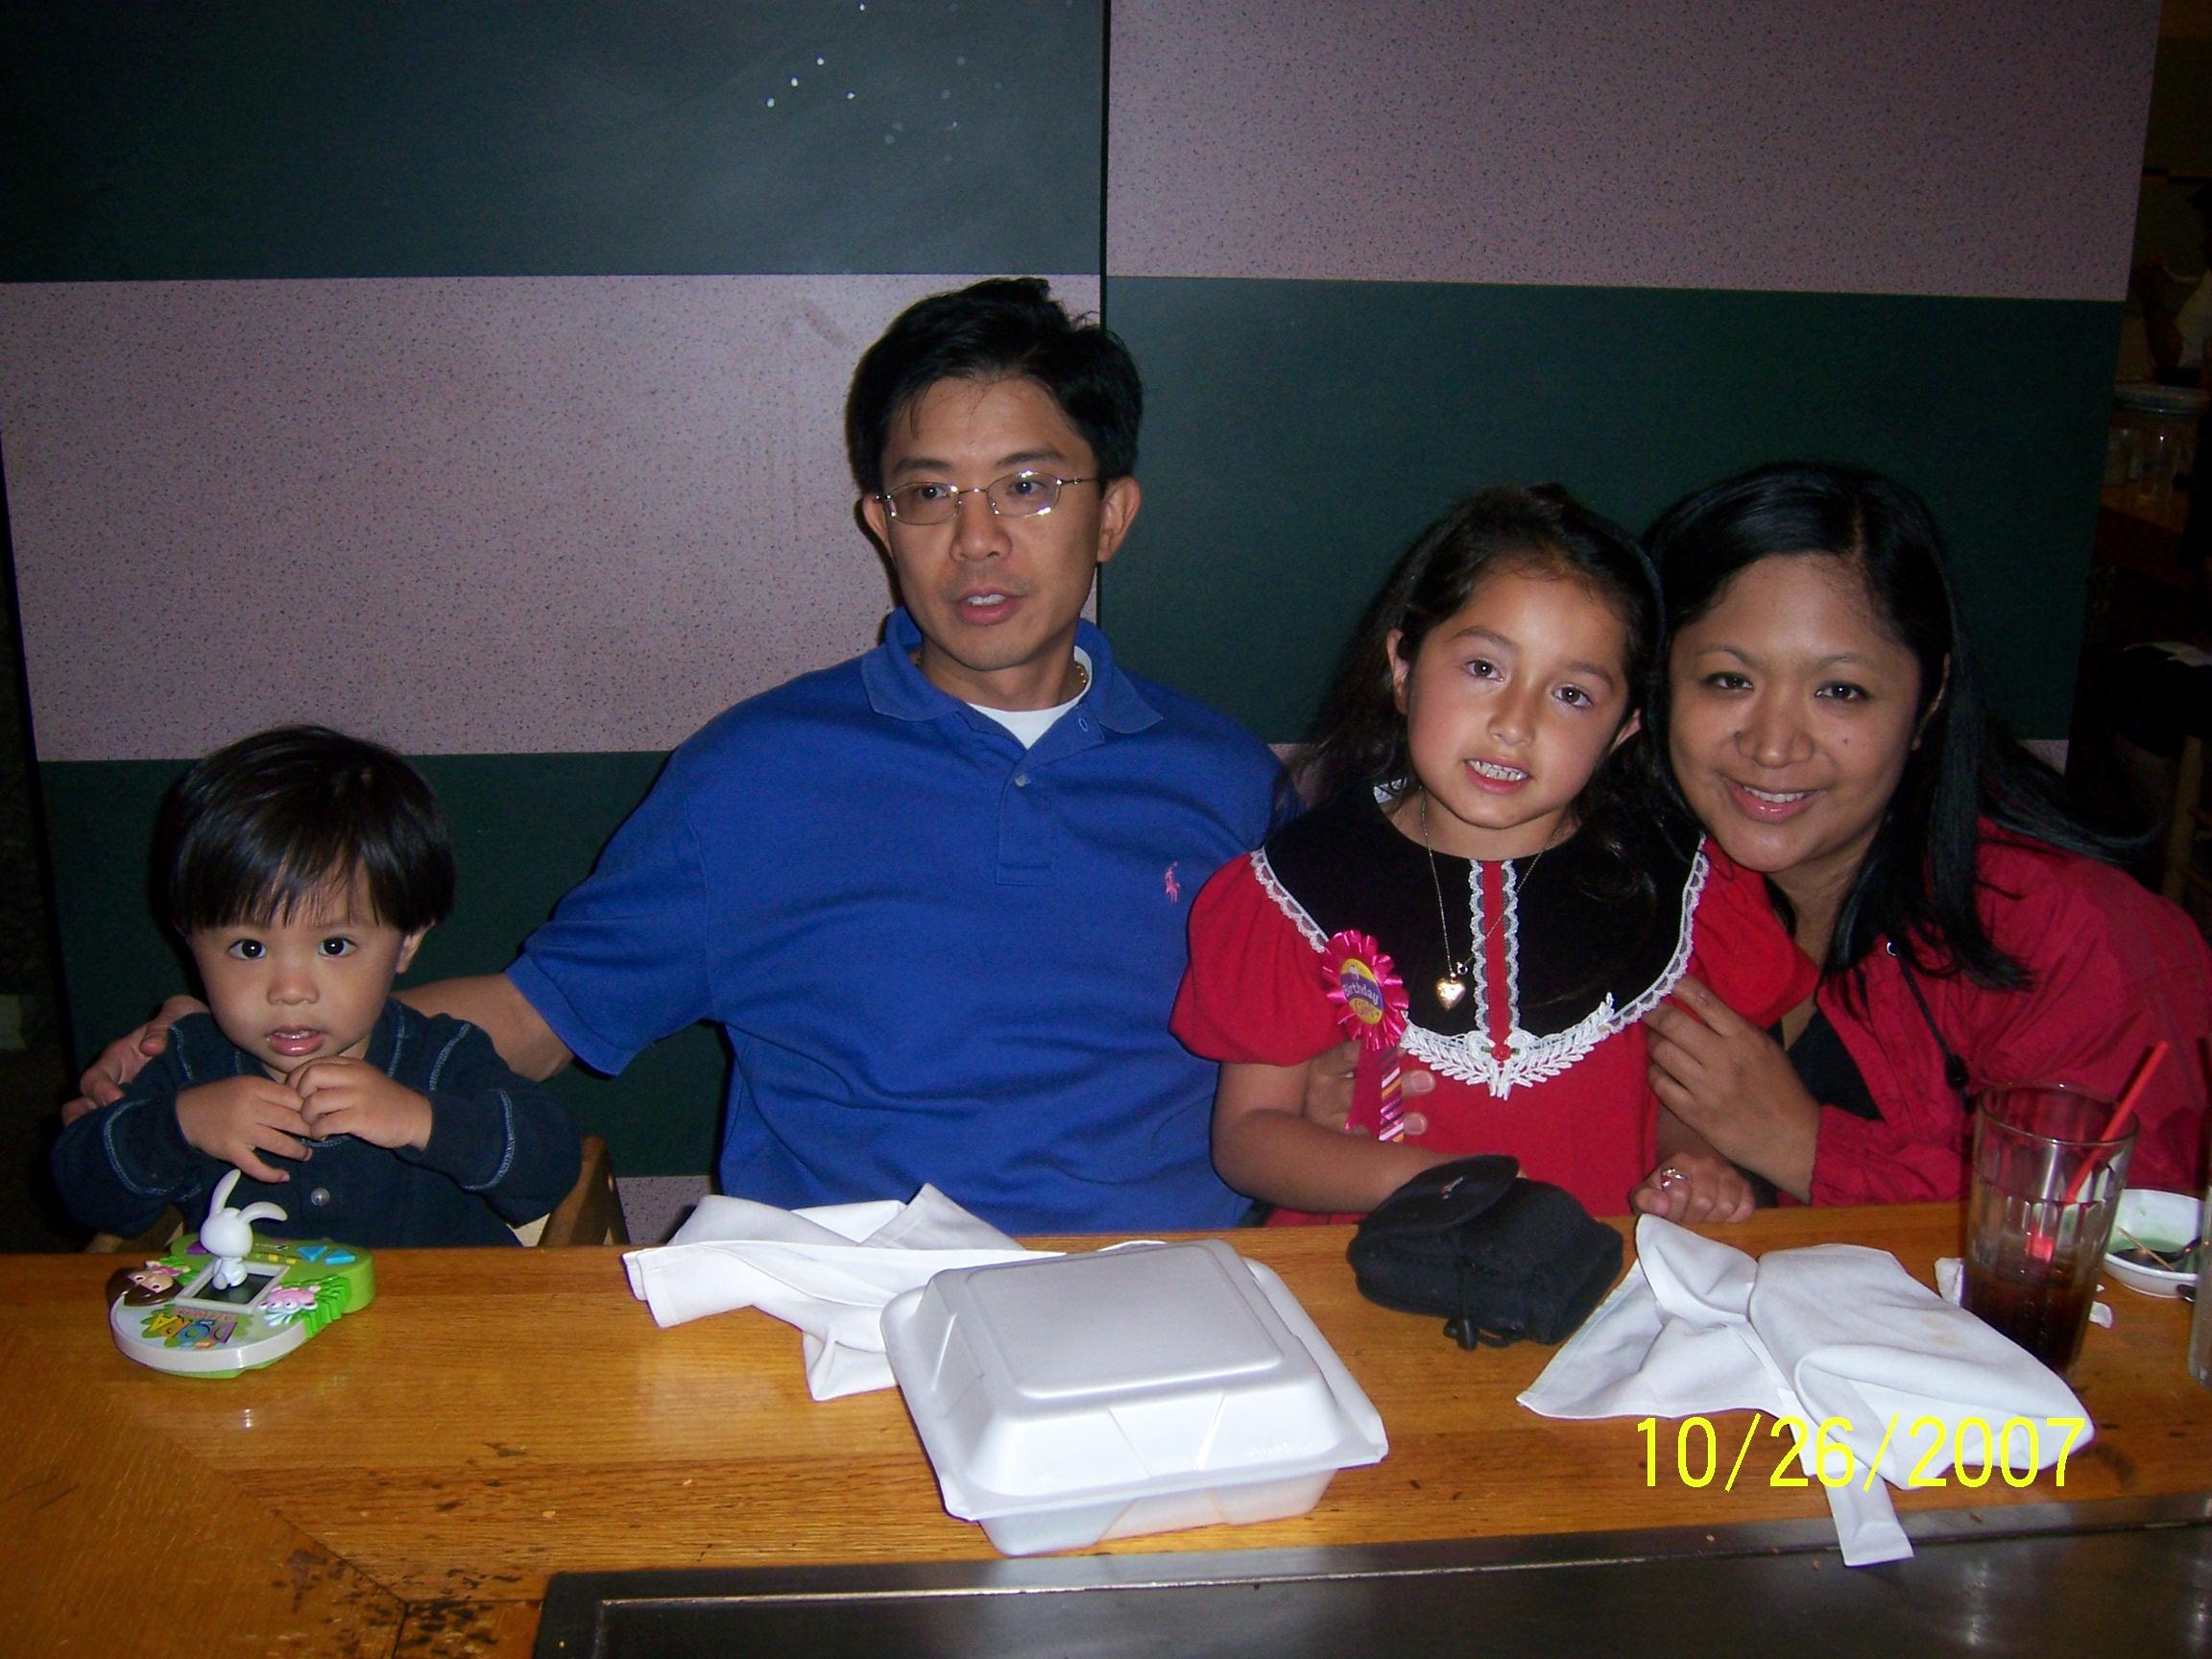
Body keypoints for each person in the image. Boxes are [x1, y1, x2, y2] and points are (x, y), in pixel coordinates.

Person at [77, 279, 1287, 1235]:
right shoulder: (756, 776)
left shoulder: (1229, 784)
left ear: (1111, 513)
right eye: (930, 495)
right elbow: (540, 1015)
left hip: (1164, 1283)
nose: (977, 541)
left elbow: (1330, 1053)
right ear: (881, 522)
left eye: (1027, 486)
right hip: (853, 1297)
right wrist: (246, 1035)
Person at [1170, 485, 1815, 1222]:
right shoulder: (1297, 888)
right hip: (1368, 1270)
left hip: (1609, 1273)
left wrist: (1692, 1163)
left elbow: (1685, 1094)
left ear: (1625, 729)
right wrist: (1434, 1181)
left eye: (1572, 695)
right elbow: (1250, 1137)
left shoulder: (1676, 887)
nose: (1515, 723)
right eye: (1484, 668)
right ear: (1404, 667)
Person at [1636, 462, 2212, 1208]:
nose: (1773, 745)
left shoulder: (2068, 931)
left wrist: (1805, 1146)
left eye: (1840, 690)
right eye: (1729, 680)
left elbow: (2131, 1234)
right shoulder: (1645, 876)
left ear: (1929, 698)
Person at [52, 726, 581, 1247]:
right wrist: (180, 1126)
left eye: (334, 945)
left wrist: (420, 1120)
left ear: (406, 943)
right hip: (249, 1307)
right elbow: (85, 1191)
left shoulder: (441, 1055)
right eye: (249, 948)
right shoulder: (186, 1067)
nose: (290, 990)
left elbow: (550, 1168)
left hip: (441, 1304)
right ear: (190, 941)